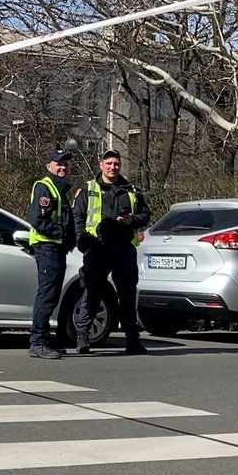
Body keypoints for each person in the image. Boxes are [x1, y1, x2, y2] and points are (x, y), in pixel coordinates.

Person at [72, 149, 151, 354]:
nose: (112, 167)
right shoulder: (88, 188)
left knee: (127, 296)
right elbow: (77, 217)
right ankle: (83, 337)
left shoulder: (131, 189)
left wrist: (132, 220)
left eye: (116, 163)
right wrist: (82, 241)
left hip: (124, 249)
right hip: (97, 249)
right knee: (92, 294)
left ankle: (132, 340)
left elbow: (145, 215)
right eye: (108, 163)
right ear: (101, 165)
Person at [26, 148, 76, 359]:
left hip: (55, 248)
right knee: (47, 295)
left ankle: (44, 338)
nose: (62, 166)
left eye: (65, 163)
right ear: (49, 166)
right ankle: (37, 341)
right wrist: (62, 234)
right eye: (58, 163)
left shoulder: (59, 189)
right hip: (47, 247)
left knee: (52, 295)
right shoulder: (45, 187)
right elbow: (39, 220)